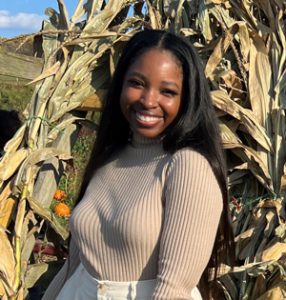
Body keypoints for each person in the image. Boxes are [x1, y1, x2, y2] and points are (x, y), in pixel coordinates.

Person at [42, 29, 234, 300]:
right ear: (121, 84)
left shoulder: (187, 166)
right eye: (137, 83)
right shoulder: (109, 157)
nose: (148, 101)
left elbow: (173, 291)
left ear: (186, 98)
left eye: (167, 91)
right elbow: (76, 264)